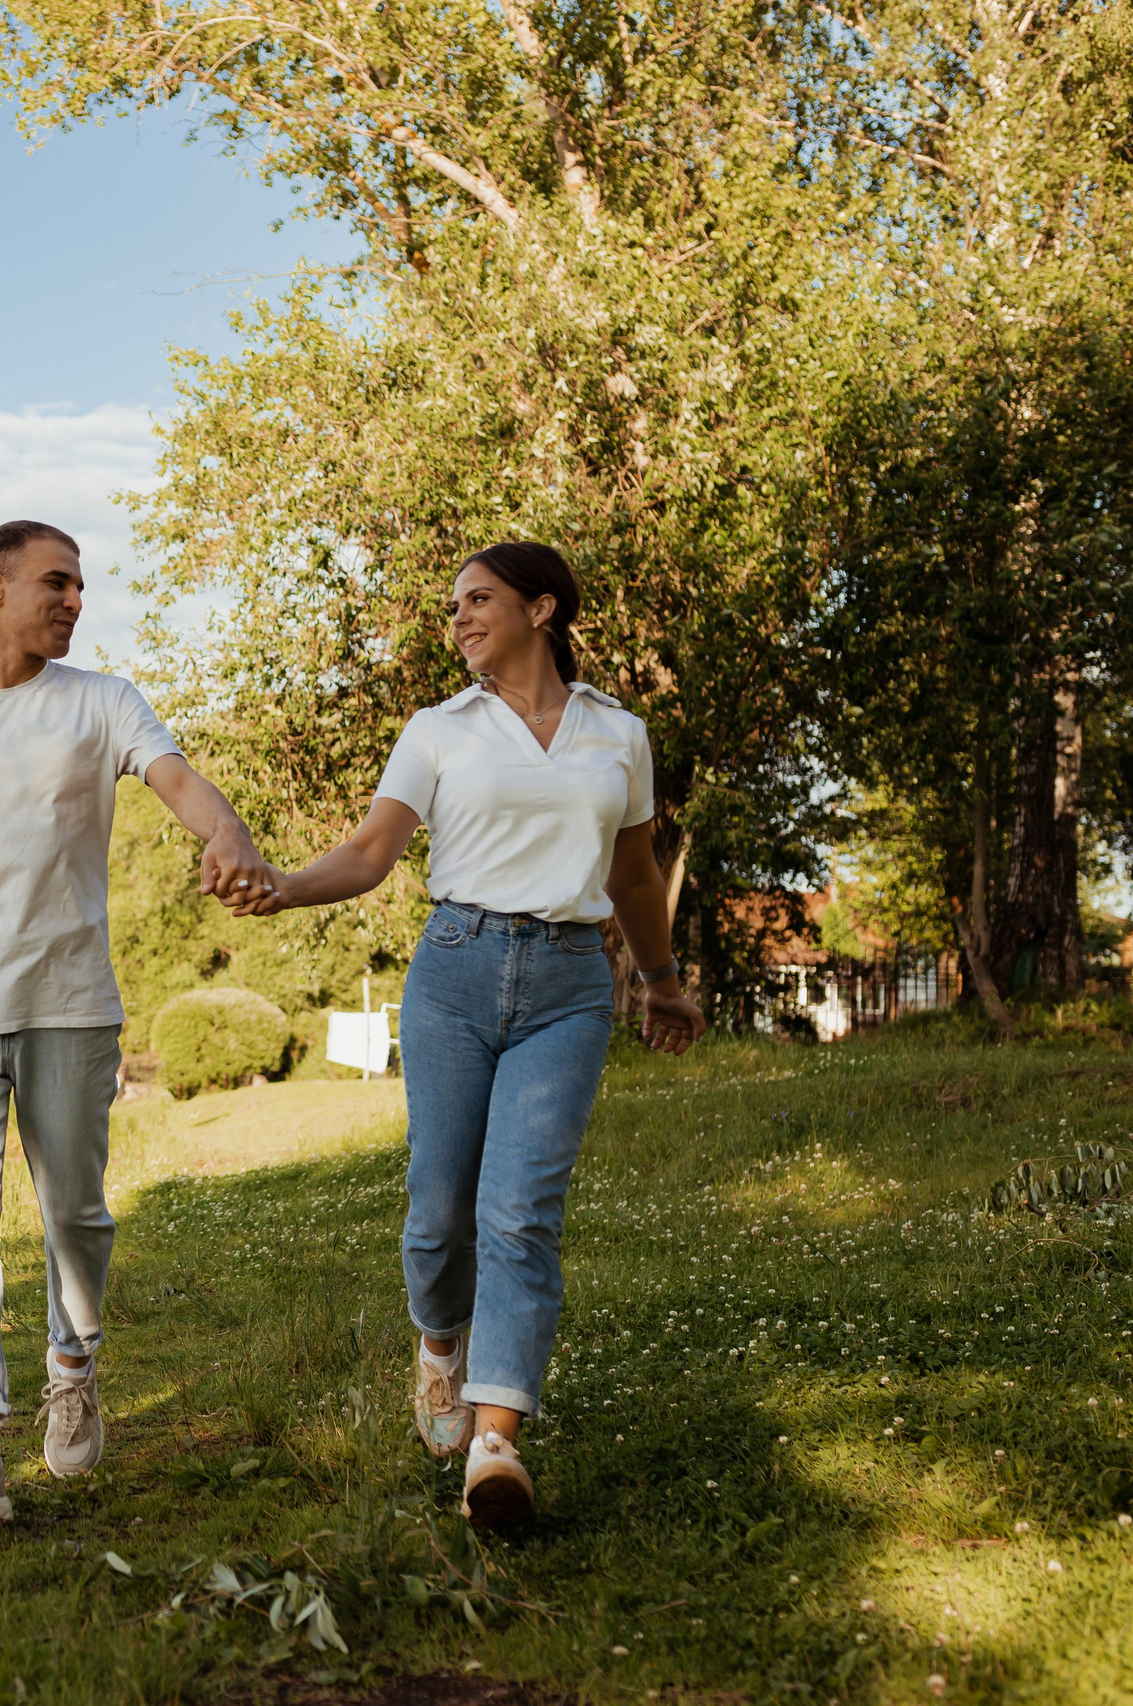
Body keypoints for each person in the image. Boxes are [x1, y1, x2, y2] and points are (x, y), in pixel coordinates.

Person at [228, 541, 703, 1528]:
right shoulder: (437, 729)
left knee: (521, 1209)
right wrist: (281, 884)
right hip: (454, 969)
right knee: (438, 1210)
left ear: (542, 608)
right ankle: (440, 1339)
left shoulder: (618, 733)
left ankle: (495, 1441)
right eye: (452, 606)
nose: (458, 618)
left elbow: (632, 875)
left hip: (570, 984)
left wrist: (660, 982)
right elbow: (369, 851)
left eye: (477, 599)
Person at [0, 518, 279, 1524]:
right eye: (56, 582)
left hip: (69, 1006)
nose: (76, 599)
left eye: (80, 586)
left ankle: (71, 1366)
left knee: (75, 1210)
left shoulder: (101, 702)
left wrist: (229, 830)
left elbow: (178, 782)